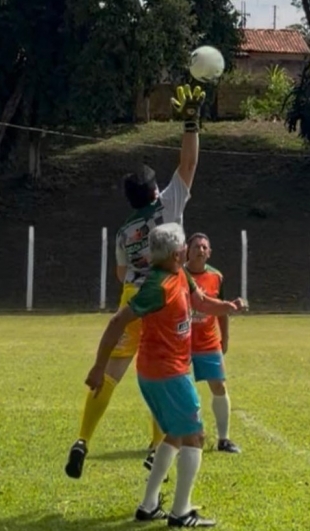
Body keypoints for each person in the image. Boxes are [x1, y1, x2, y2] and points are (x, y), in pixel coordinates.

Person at [65, 83, 207, 480]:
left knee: (111, 372)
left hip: (134, 295)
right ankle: (154, 446)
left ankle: (82, 438)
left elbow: (120, 274)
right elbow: (189, 164)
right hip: (165, 296)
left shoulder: (123, 230)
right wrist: (191, 123)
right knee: (165, 368)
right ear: (153, 190)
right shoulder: (170, 203)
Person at [84, 223, 246, 527]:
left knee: (174, 433)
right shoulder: (158, 286)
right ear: (176, 253)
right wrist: (98, 367)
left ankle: (148, 505)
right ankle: (181, 512)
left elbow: (199, 301)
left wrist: (227, 306)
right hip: (166, 373)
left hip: (163, 371)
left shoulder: (179, 273)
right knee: (195, 435)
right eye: (185, 245)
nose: (187, 248)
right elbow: (118, 320)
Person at [185, 233, 240, 453]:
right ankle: (167, 438)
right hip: (181, 342)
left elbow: (222, 309)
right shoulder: (178, 275)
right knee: (176, 389)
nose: (200, 250)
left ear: (210, 252)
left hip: (208, 342)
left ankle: (223, 439)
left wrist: (224, 338)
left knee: (219, 386)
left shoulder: (216, 276)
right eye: (196, 246)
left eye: (204, 247)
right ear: (187, 250)